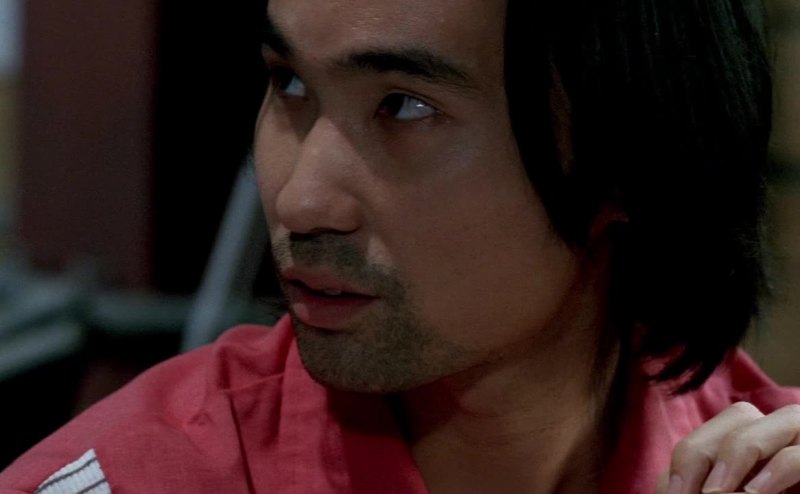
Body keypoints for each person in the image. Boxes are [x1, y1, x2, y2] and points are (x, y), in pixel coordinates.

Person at [1, 0, 798, 493]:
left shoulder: (763, 459)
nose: (300, 199)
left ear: (627, 155)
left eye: (405, 107)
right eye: (289, 84)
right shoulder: (146, 476)